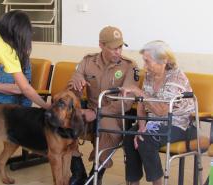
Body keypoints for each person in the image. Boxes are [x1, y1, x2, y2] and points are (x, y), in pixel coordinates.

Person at [68, 26, 138, 185]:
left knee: (106, 127)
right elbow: (76, 75)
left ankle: (96, 175)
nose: (118, 52)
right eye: (113, 48)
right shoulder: (88, 61)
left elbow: (126, 102)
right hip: (90, 109)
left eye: (120, 47)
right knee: (65, 123)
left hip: (114, 115)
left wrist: (96, 112)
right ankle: (77, 170)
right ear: (101, 45)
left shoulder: (129, 66)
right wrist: (76, 79)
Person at [122, 40, 196, 185]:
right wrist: (141, 126)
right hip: (154, 122)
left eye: (147, 62)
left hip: (180, 125)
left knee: (147, 140)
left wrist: (138, 92)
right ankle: (133, 182)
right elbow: (142, 105)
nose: (144, 66)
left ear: (163, 60)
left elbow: (162, 110)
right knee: (130, 138)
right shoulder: (150, 75)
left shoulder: (176, 77)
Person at [0, 10, 50, 109]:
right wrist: (47, 106)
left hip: (3, 104)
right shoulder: (5, 48)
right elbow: (25, 88)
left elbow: (20, 88)